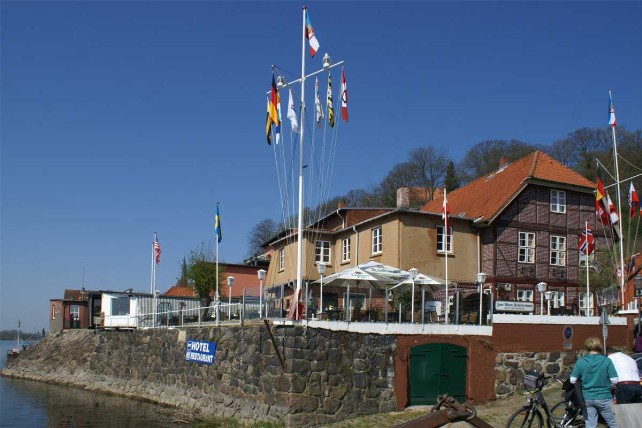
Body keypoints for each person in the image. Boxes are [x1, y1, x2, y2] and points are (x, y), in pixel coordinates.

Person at [571, 337, 618, 428]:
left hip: (587, 397)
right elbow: (615, 380)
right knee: (612, 423)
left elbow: (573, 380)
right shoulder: (606, 361)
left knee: (590, 424)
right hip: (604, 396)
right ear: (599, 346)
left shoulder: (580, 361)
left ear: (586, 347)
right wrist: (608, 387)